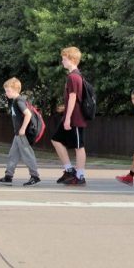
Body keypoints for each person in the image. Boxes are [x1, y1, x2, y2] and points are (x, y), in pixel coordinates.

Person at [52, 46, 88, 186]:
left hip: (76, 118)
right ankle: (69, 169)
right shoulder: (74, 76)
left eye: (64, 59)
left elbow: (73, 98)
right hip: (70, 116)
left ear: (72, 60)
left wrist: (67, 118)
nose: (62, 61)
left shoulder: (73, 76)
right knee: (55, 139)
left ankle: (80, 176)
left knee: (79, 146)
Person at [0, 77, 41, 187]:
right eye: (6, 90)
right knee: (13, 155)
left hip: (22, 134)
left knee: (27, 154)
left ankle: (35, 176)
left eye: (8, 91)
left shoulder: (19, 101)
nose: (6, 93)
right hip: (18, 134)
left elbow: (28, 114)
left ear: (16, 90)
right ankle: (8, 177)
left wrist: (23, 129)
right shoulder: (15, 101)